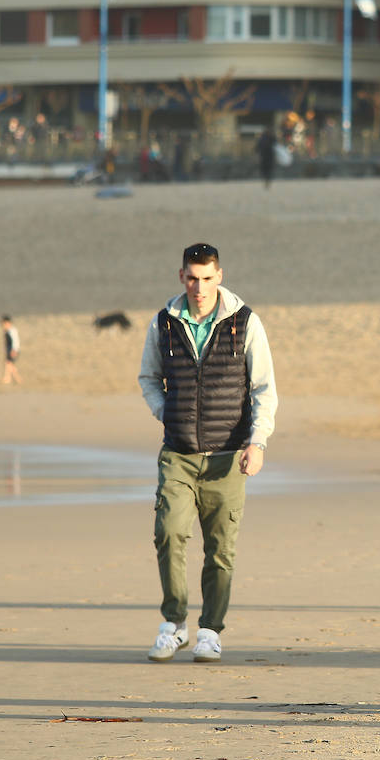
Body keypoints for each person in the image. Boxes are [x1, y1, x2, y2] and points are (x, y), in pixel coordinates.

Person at [139, 243, 278, 664]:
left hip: (228, 456)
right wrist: (169, 415)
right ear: (181, 276)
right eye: (192, 278)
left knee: (220, 549)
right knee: (169, 533)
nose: (199, 287)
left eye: (207, 278)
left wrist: (257, 442)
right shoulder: (163, 323)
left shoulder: (244, 322)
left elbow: (263, 389)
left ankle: (210, 631)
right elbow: (149, 377)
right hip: (178, 453)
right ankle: (174, 624)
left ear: (220, 276)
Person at [1, 315, 22, 384]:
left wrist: (14, 350)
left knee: (9, 364)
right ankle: (15, 378)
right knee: (10, 364)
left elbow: (16, 341)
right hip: (9, 349)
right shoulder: (6, 331)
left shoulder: (12, 330)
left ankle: (8, 378)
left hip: (13, 350)